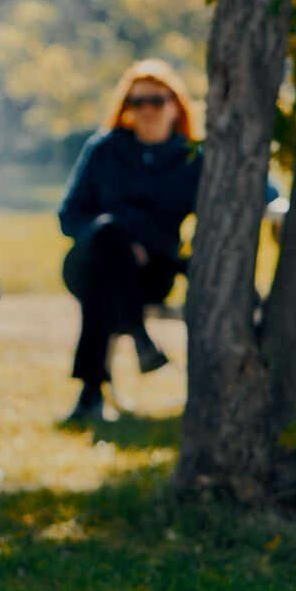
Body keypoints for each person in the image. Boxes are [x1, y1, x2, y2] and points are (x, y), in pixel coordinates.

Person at [57, 59, 201, 425]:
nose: (147, 110)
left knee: (104, 277)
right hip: (89, 259)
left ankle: (90, 392)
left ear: (174, 104)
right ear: (126, 108)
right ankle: (141, 338)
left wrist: (142, 245)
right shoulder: (104, 149)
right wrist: (122, 238)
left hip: (151, 272)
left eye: (156, 100)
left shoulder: (192, 157)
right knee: (107, 237)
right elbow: (69, 215)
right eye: (137, 102)